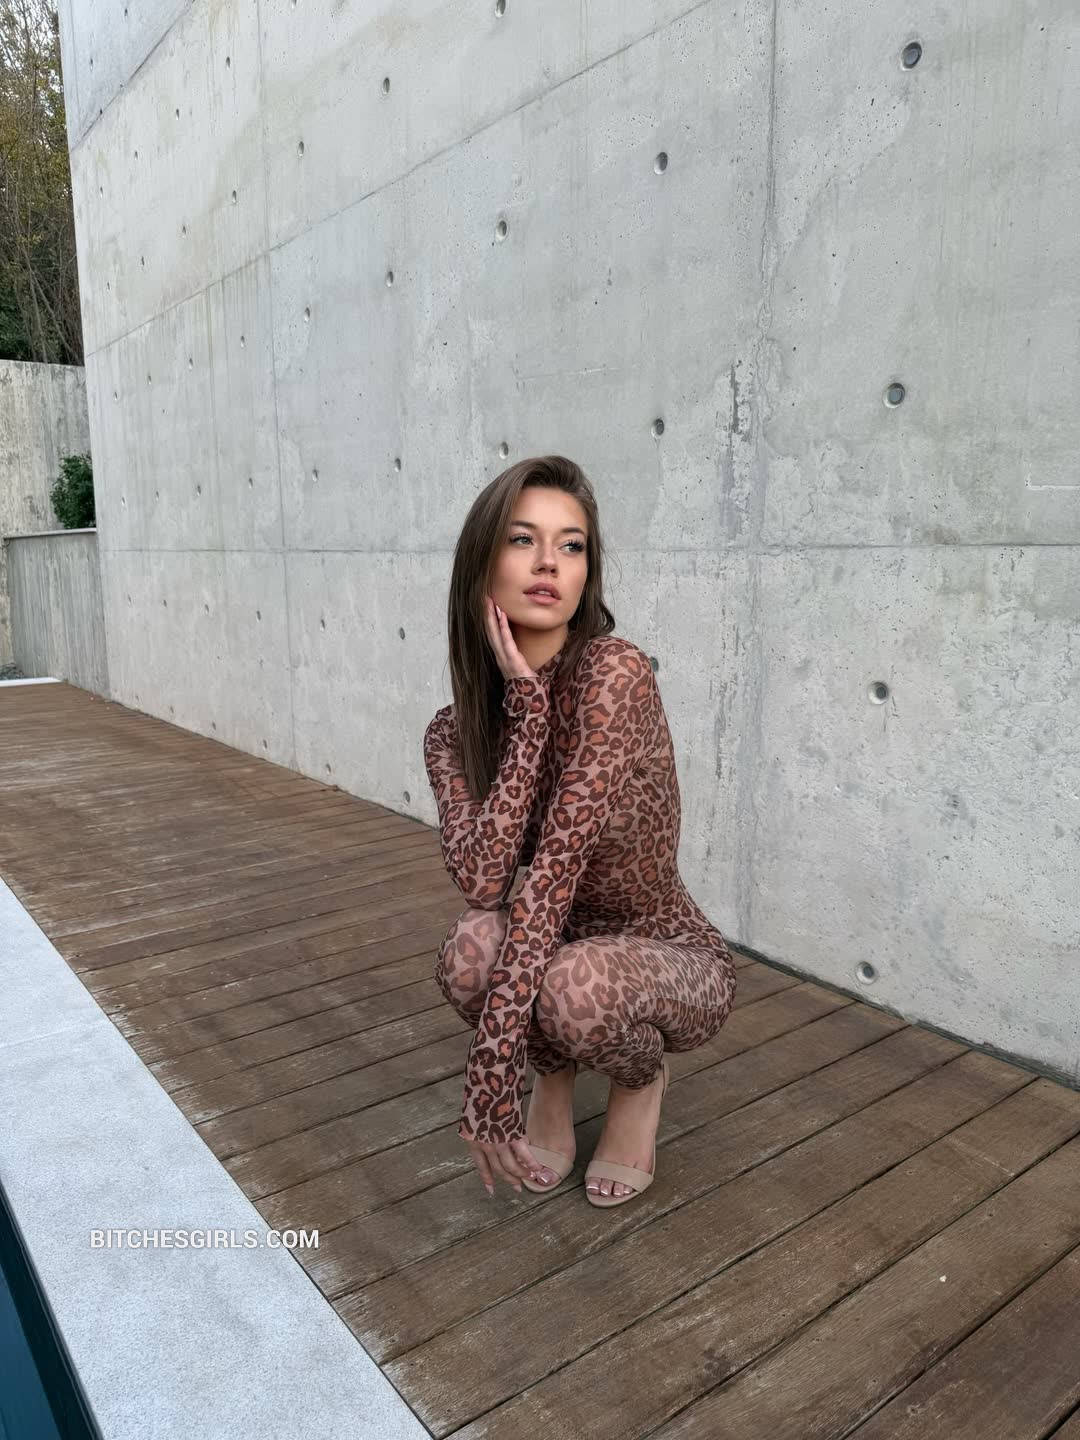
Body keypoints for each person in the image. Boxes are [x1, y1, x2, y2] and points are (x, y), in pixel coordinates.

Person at [423, 456, 737, 1207]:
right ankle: (554, 1077)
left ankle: (640, 1082)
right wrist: (526, 716)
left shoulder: (613, 674)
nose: (548, 563)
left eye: (572, 545)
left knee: (572, 985)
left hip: (663, 951)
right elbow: (484, 883)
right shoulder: (450, 733)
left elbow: (556, 871)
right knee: (469, 951)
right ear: (481, 563)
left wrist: (491, 1068)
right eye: (522, 539)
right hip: (551, 945)